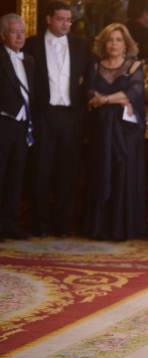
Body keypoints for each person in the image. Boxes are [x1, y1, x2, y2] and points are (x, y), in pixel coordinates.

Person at [24, 1, 89, 238]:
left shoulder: (81, 46)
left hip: (71, 116)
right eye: (60, 19)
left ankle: (63, 225)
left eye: (68, 19)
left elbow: (87, 83)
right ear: (48, 19)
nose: (65, 24)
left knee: (67, 171)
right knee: (41, 169)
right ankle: (39, 224)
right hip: (43, 114)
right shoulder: (32, 44)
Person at [85, 23, 146, 241]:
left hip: (124, 132)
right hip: (100, 131)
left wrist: (106, 99)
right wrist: (108, 100)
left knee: (122, 174)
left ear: (126, 43)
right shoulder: (94, 66)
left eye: (119, 40)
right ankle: (100, 228)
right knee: (101, 173)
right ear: (104, 43)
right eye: (110, 39)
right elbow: (89, 95)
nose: (114, 44)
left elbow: (134, 93)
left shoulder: (133, 66)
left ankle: (120, 229)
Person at [0, 14, 34, 240]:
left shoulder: (29, 60)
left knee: (16, 175)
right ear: (3, 35)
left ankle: (10, 224)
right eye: (14, 31)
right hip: (2, 124)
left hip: (23, 127)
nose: (20, 35)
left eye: (22, 31)